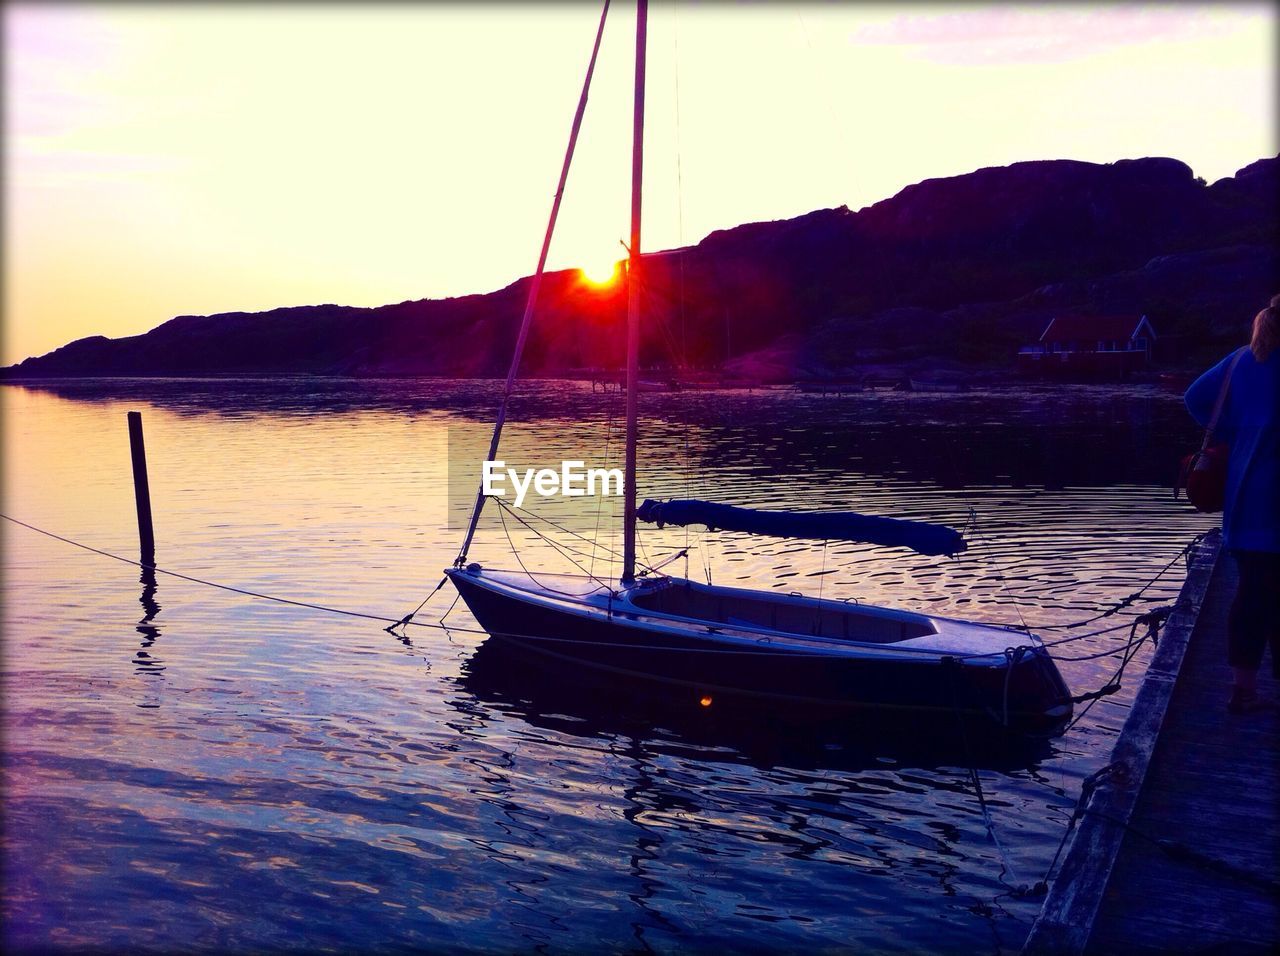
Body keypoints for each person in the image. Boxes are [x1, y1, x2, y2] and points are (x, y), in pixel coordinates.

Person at [1184, 294, 1280, 714]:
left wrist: (1234, 431)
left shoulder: (1241, 360)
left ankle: (1247, 689)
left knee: (1254, 594)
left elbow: (1194, 398)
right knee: (1267, 598)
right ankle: (1253, 690)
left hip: (1245, 504)